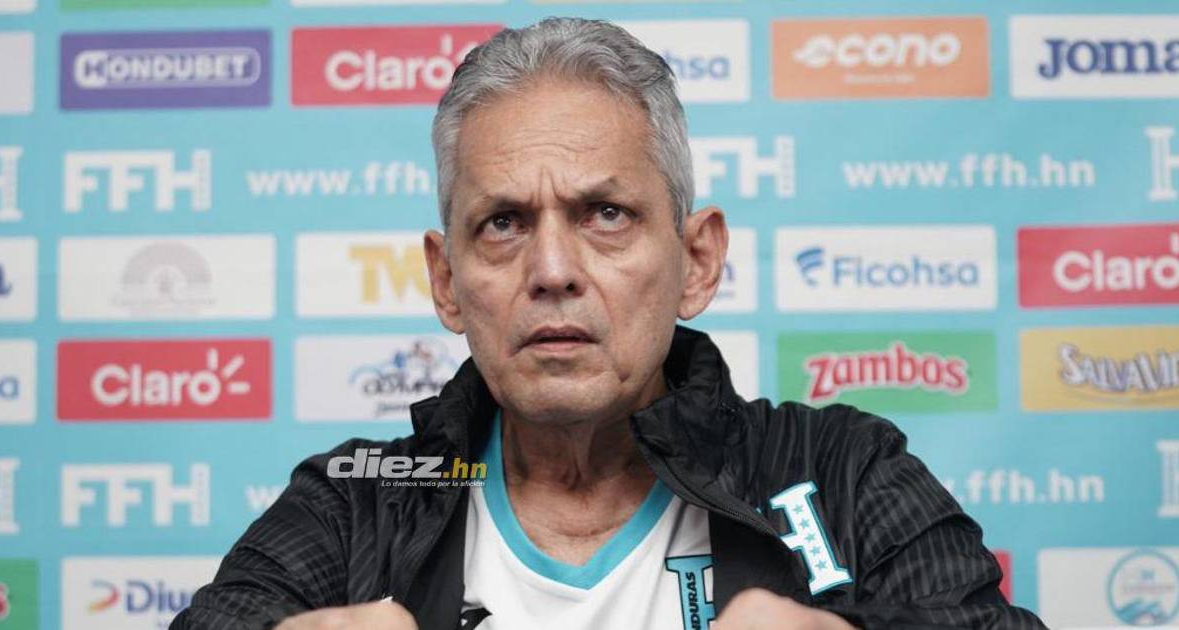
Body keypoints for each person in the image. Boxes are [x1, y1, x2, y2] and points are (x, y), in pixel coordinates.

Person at [172, 18, 1046, 629]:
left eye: (606, 214)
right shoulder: (357, 501)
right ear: (446, 281)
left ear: (696, 260)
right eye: (503, 223)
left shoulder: (839, 475)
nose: (552, 271)